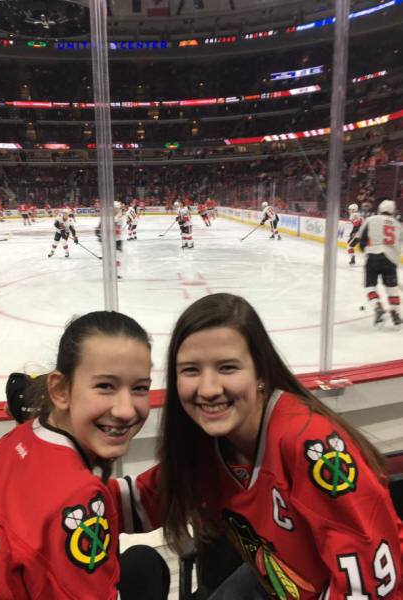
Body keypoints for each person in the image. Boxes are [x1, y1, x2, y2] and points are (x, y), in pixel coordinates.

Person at [121, 293, 402, 599]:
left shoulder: (313, 448)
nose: (209, 389)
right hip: (279, 579)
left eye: (227, 367)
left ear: (261, 374)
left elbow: (373, 588)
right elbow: (142, 500)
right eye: (190, 370)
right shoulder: (208, 443)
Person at [0, 310, 170, 599]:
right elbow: (71, 508)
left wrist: (186, 474)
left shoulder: (16, 441)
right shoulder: (74, 498)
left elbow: (74, 507)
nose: (126, 409)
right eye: (105, 386)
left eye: (140, 387)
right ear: (59, 390)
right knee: (145, 566)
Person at [358, 199, 402, 327]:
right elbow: (400, 242)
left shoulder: (371, 219)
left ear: (380, 209)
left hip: (373, 256)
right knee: (392, 288)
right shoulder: (398, 224)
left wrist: (366, 251)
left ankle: (377, 306)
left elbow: (362, 241)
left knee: (370, 286)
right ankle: (395, 314)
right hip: (390, 259)